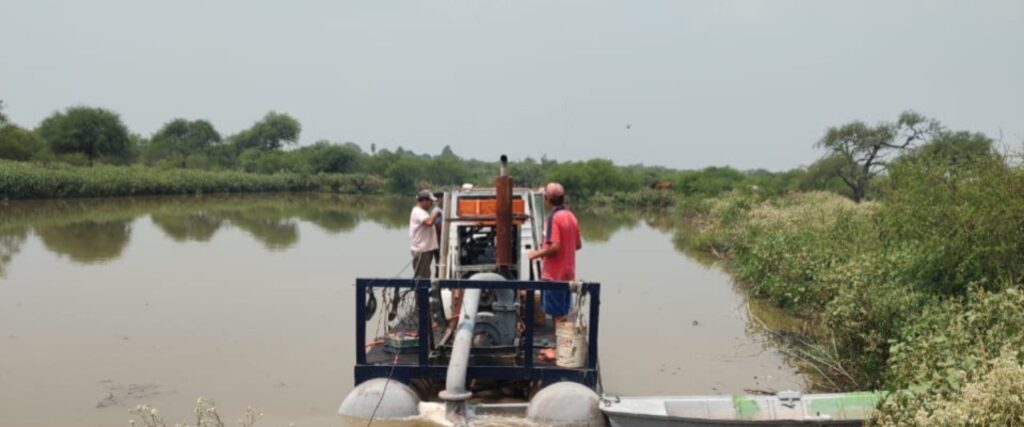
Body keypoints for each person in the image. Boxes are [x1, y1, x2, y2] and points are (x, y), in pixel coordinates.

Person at [527, 182, 582, 361]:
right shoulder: (571, 216)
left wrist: (536, 254)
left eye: (544, 197)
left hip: (554, 274)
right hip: (568, 273)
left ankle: (559, 351)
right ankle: (558, 346)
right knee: (563, 313)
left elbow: (555, 247)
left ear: (548, 199)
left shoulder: (553, 218)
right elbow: (578, 245)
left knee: (557, 315)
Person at [410, 190, 442, 279]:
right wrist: (436, 214)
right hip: (421, 251)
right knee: (422, 277)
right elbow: (429, 222)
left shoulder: (422, 212)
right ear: (424, 201)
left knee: (425, 274)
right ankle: (419, 293)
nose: (431, 204)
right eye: (430, 202)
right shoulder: (418, 212)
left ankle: (422, 292)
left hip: (426, 250)